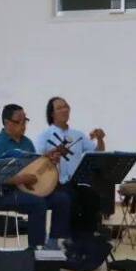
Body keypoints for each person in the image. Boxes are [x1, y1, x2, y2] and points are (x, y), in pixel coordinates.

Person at [0, 104, 71, 249]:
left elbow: (34, 168)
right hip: (4, 193)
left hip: (27, 189)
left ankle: (52, 244)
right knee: (37, 203)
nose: (24, 125)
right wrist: (21, 179)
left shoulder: (27, 142)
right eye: (19, 122)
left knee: (62, 199)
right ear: (7, 123)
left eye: (25, 121)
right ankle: (36, 249)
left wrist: (48, 161)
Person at [34, 96, 107, 232]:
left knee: (92, 198)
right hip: (54, 183)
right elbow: (37, 160)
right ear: (52, 114)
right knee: (70, 197)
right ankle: (69, 237)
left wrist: (100, 139)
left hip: (76, 182)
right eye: (59, 108)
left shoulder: (78, 135)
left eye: (66, 106)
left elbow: (98, 152)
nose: (64, 110)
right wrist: (51, 156)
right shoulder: (44, 135)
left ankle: (87, 236)